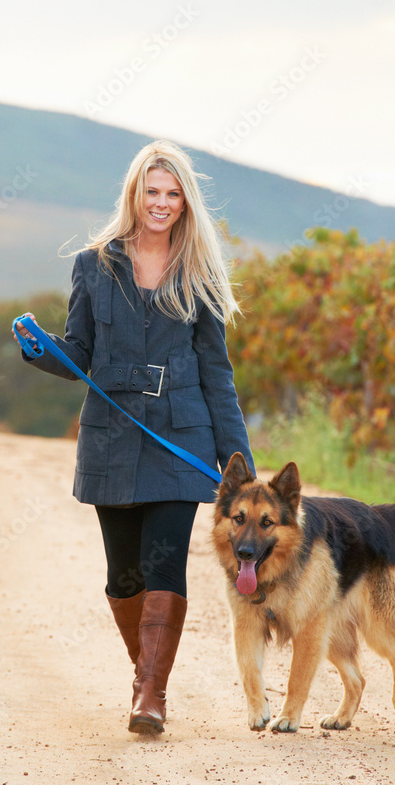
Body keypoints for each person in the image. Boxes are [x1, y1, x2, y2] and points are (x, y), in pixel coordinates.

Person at [14, 139, 254, 735]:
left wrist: (237, 458)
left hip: (183, 433)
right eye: (153, 192)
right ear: (134, 194)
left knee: (165, 562)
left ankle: (151, 696)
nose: (163, 204)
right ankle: (145, 679)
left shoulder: (199, 273)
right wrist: (39, 350)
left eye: (173, 195)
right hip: (112, 435)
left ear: (186, 203)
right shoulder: (93, 266)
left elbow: (216, 373)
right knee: (123, 575)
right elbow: (80, 355)